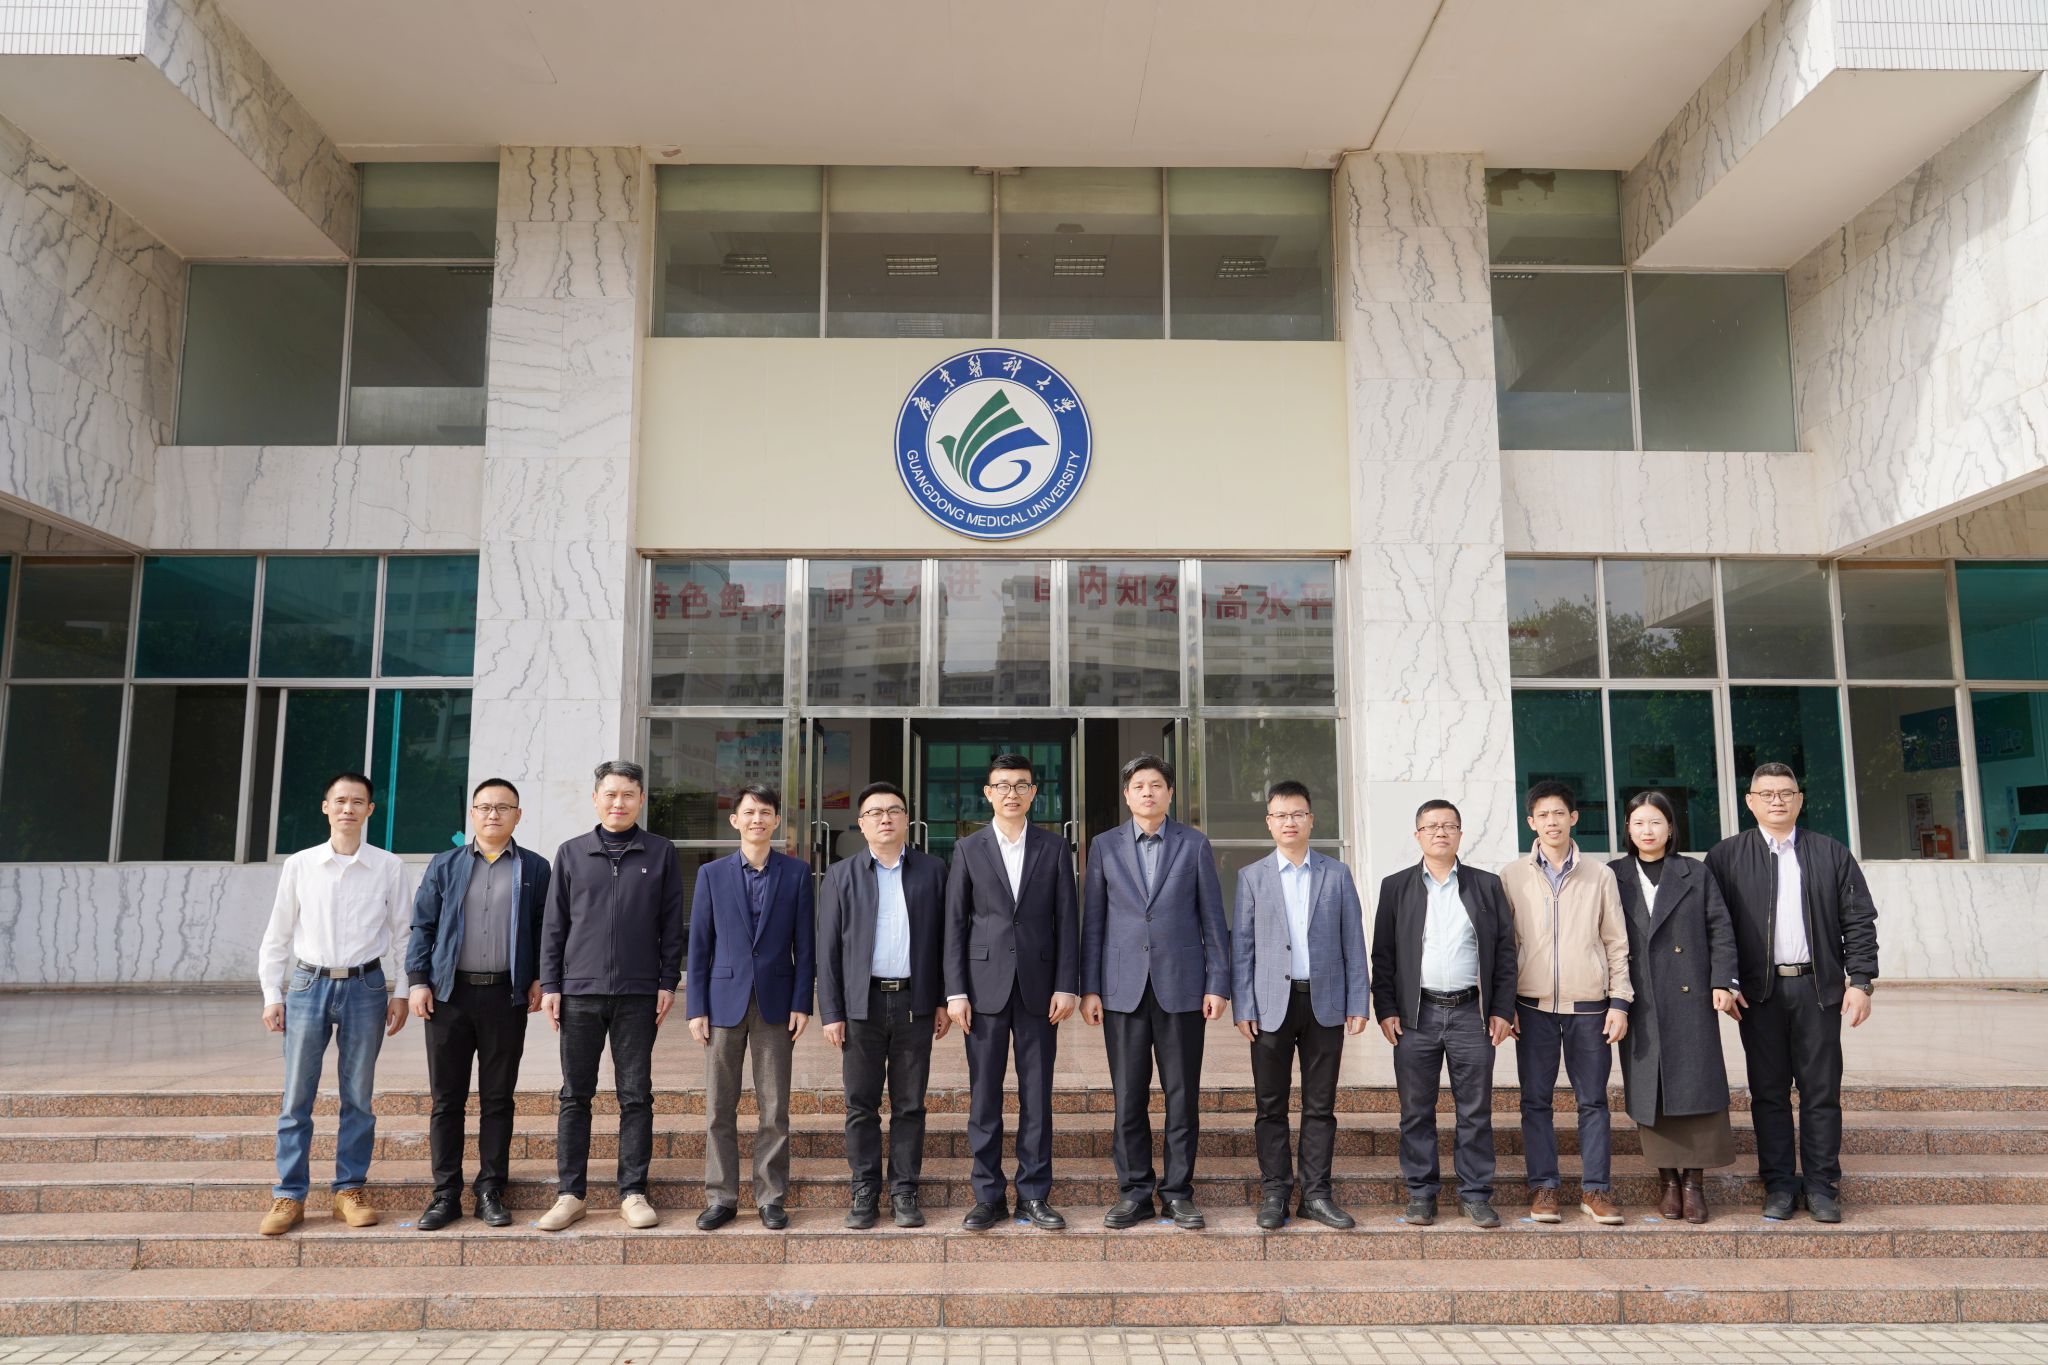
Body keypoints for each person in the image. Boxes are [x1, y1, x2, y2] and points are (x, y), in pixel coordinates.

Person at [1704, 762, 1879, 1224]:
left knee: (1821, 1092)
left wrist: (1861, 981)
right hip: (1758, 995)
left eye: (1785, 793)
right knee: (1769, 1093)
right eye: (1767, 794)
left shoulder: (1830, 852)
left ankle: (1822, 1186)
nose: (1777, 800)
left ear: (1799, 799)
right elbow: (1714, 926)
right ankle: (1779, 1184)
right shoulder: (1725, 857)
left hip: (1818, 990)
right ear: (1750, 802)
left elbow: (1859, 920)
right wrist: (1725, 980)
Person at [256, 772, 411, 1236]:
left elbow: (404, 935)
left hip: (366, 987)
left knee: (358, 1096)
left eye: (357, 802)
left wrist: (403, 991)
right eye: (340, 800)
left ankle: (349, 1189)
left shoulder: (388, 866)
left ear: (370, 810)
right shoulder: (300, 865)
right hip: (308, 986)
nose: (348, 808)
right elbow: (278, 932)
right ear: (326, 807)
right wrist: (272, 993)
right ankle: (289, 1195)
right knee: (296, 1098)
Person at [535, 760, 685, 1233]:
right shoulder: (572, 852)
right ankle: (570, 1195)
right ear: (595, 799)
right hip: (579, 992)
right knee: (575, 1095)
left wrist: (667, 981)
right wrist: (551, 985)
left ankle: (633, 1192)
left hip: (638, 994)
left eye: (628, 795)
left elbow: (671, 924)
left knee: (635, 1095)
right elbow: (554, 924)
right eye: (610, 794)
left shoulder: (660, 852)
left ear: (641, 800)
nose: (618, 803)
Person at [1081, 754, 1229, 1231]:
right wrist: (1090, 988)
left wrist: (1218, 982)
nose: (1148, 792)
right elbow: (1094, 921)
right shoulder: (1104, 846)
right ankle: (1134, 1193)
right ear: (1127, 795)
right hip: (1122, 988)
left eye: (1157, 785)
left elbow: (1213, 919)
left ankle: (1179, 1193)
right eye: (1139, 786)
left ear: (1169, 793)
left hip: (1182, 986)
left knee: (1182, 1096)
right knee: (1128, 1096)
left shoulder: (1194, 844)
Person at [404, 778, 552, 1231]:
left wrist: (539, 977)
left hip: (505, 997)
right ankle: (445, 1193)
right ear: (472, 814)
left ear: (517, 816)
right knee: (446, 1099)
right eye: (485, 807)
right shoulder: (445, 864)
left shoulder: (535, 867)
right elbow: (423, 925)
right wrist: (418, 981)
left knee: (497, 1098)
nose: (493, 814)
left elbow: (545, 928)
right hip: (449, 996)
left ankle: (490, 1189)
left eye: (503, 807)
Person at [945, 753, 1080, 1232]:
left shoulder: (1054, 847)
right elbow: (954, 924)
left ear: (1033, 793)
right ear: (988, 793)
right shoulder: (968, 848)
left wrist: (1067, 984)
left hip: (1040, 990)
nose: (1012, 793)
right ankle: (987, 1196)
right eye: (1002, 785)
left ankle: (1033, 1195)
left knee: (1036, 1096)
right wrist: (955, 991)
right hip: (982, 991)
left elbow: (1068, 920)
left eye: (1021, 785)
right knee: (984, 1096)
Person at [1230, 781, 1371, 1230]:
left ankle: (1316, 1195)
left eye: (1297, 814)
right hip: (1270, 1006)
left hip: (1324, 1003)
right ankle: (1275, 1193)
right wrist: (1243, 1006)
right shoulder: (1252, 877)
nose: (1289, 822)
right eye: (1280, 815)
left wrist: (1358, 1000)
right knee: (1270, 1104)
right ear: (1269, 823)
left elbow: (1353, 941)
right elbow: (1243, 948)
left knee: (1320, 1105)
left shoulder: (1336, 873)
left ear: (1311, 820)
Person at [1369, 799, 1516, 1228]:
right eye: (1431, 826)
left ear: (1460, 834)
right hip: (1417, 1015)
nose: (1440, 832)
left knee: (1475, 1110)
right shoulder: (1396, 887)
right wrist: (1386, 1008)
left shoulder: (1486, 885)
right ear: (1417, 835)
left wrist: (1501, 1009)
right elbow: (1383, 955)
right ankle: (1421, 1194)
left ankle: (1475, 1194)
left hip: (1472, 1013)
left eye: (1448, 825)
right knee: (1416, 1110)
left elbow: (1505, 953)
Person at [816, 781, 950, 1229]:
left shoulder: (933, 871)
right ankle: (865, 1190)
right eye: (875, 812)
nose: (885, 818)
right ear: (862, 823)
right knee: (861, 1104)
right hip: (861, 1005)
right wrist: (832, 1012)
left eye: (894, 810)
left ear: (907, 819)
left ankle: (905, 1190)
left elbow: (947, 941)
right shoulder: (841, 875)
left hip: (915, 1002)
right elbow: (827, 950)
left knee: (910, 1104)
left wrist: (943, 999)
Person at [1500, 780, 1632, 1226]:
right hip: (1531, 1007)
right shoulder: (1512, 876)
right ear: (1531, 822)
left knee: (1593, 1101)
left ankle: (1596, 1190)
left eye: (1559, 813)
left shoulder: (1599, 875)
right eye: (1543, 815)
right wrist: (1504, 1003)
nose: (1552, 821)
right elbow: (1504, 946)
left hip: (1590, 1006)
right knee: (1535, 1101)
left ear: (1573, 818)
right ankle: (1544, 1188)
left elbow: (1616, 943)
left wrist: (1620, 1002)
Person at [687, 784, 815, 1231]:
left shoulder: (796, 873)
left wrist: (802, 1001)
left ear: (777, 820)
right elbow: (699, 945)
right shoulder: (712, 874)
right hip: (722, 1002)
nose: (757, 819)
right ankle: (721, 1197)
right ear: (735, 820)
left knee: (774, 1108)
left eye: (765, 812)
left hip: (776, 1004)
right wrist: (695, 1007)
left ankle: (770, 1197)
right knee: (718, 1108)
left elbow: (806, 945)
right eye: (749, 812)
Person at [1611, 790, 1740, 1224]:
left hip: (1690, 997)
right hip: (1639, 999)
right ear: (1628, 829)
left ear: (1670, 828)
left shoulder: (1694, 872)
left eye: (1656, 822)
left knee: (1695, 1083)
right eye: (1638, 823)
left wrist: (1723, 980)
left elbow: (1720, 928)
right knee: (1652, 1088)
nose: (1647, 831)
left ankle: (1694, 1184)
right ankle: (1667, 1180)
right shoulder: (1613, 875)